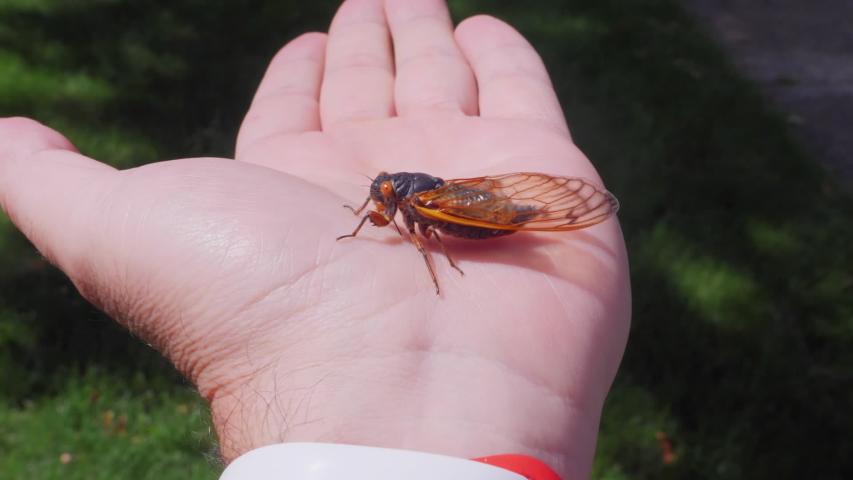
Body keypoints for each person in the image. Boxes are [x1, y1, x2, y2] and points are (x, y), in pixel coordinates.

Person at [0, 0, 630, 478]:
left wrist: (443, 247)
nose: (378, 198)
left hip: (470, 208)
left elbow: (417, 231)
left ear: (400, 195)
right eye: (380, 194)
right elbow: (380, 216)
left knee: (483, 217)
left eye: (385, 193)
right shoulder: (394, 201)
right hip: (455, 202)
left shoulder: (421, 206)